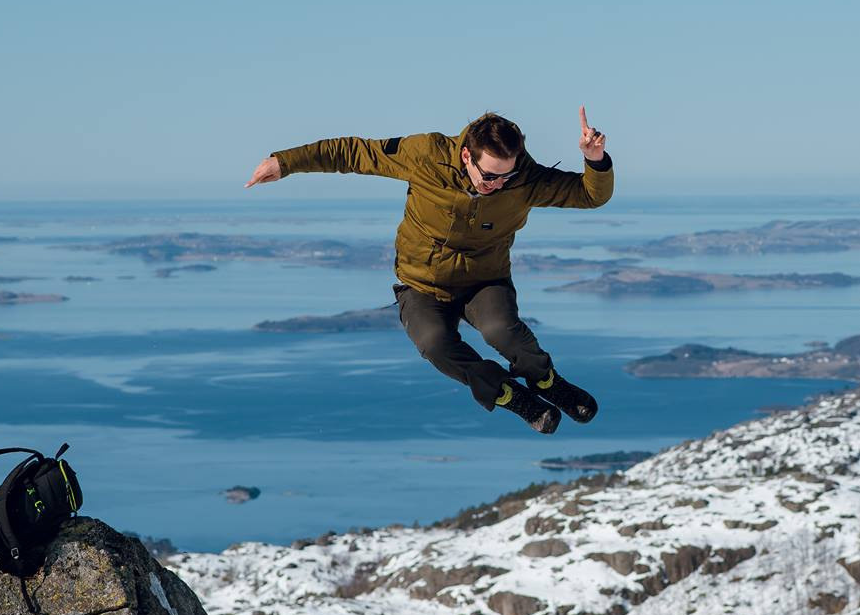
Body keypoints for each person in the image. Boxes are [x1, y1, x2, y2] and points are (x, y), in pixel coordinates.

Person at [246, 107, 613, 433]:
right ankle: (508, 395)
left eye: (506, 176)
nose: (496, 185)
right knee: (435, 344)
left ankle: (547, 382)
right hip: (422, 284)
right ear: (466, 155)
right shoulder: (425, 155)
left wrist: (596, 161)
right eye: (489, 176)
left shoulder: (525, 180)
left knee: (503, 330)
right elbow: (355, 152)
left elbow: (590, 194)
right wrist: (286, 162)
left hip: (484, 281)